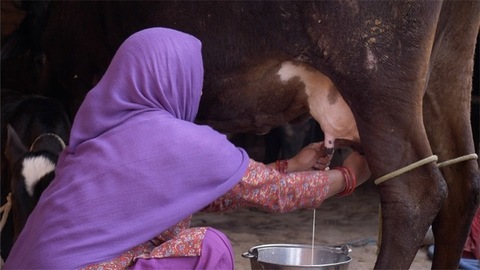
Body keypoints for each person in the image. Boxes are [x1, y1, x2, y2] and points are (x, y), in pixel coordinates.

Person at [4, 27, 370, 269]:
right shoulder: (175, 140)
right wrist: (349, 176)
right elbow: (277, 195)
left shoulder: (104, 135)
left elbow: (204, 195)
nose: (195, 93)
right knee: (209, 247)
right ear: (171, 79)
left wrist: (289, 164)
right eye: (192, 79)